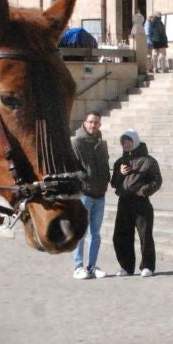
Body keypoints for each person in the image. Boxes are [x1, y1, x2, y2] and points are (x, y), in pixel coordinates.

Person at [110, 129, 162, 278]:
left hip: (141, 203)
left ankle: (147, 266)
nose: (126, 144)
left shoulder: (148, 161)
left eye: (129, 141)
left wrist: (142, 191)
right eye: (123, 141)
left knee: (145, 235)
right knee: (121, 235)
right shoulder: (120, 162)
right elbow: (114, 183)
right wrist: (120, 173)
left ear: (135, 141)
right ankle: (126, 266)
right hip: (124, 202)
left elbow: (156, 181)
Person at [71, 111, 110, 280]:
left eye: (96, 123)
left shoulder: (102, 143)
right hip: (85, 194)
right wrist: (84, 179)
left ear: (100, 125)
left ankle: (92, 266)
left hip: (100, 194)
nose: (93, 125)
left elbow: (105, 164)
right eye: (90, 122)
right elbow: (73, 167)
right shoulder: (77, 142)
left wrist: (106, 180)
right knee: (81, 232)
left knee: (96, 233)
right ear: (85, 123)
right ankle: (78, 266)